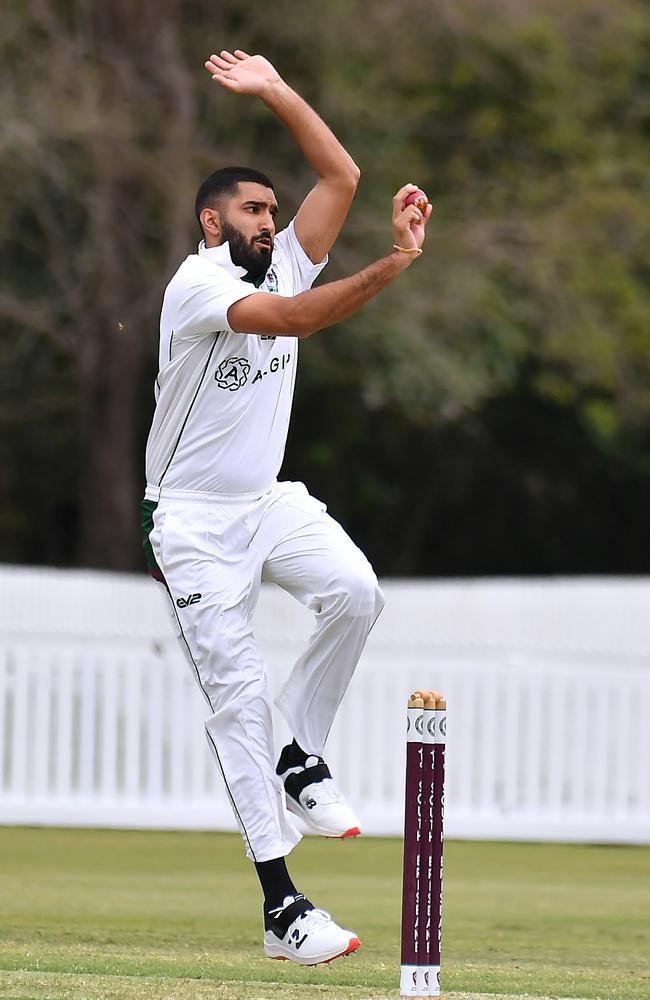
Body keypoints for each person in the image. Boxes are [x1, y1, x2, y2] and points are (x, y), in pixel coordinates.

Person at [140, 48, 431, 967]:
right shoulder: (199, 287)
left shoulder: (287, 264)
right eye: (252, 210)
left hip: (266, 502)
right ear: (210, 220)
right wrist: (392, 265)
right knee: (236, 702)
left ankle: (300, 754)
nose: (270, 222)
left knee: (354, 592)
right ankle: (282, 909)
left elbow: (342, 174)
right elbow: (294, 322)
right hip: (188, 520)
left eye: (273, 209)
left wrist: (274, 91)